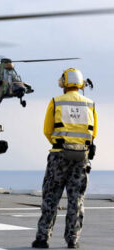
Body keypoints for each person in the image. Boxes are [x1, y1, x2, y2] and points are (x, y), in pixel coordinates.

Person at [32, 68, 98, 249]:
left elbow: (47, 130)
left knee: (51, 197)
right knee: (76, 200)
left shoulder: (56, 102)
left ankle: (43, 238)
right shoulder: (90, 104)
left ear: (64, 83)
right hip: (81, 157)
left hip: (59, 156)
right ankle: (72, 240)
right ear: (81, 84)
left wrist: (60, 143)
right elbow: (94, 133)